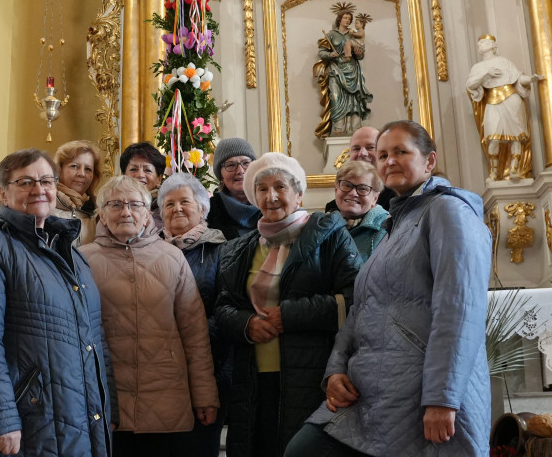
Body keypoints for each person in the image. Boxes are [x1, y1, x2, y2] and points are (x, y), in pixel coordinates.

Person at [286, 120, 491, 457]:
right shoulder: (397, 222)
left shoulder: (449, 210)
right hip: (373, 389)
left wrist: (443, 398)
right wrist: (335, 370)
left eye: (401, 152)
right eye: (383, 155)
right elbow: (362, 307)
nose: (389, 160)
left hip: (422, 392)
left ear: (429, 161)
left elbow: (460, 310)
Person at [0, 149, 115, 457]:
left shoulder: (73, 255)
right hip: (26, 422)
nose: (39, 189)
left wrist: (109, 412)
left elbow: (95, 342)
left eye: (46, 180)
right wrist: (1, 419)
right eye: (25, 182)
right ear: (3, 192)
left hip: (79, 422)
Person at [215, 152, 361, 457]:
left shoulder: (330, 236)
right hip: (253, 381)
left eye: (280, 187)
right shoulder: (238, 249)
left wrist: (290, 316)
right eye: (262, 189)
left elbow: (355, 299)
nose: (271, 197)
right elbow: (224, 307)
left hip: (312, 376)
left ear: (299, 194)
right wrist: (247, 324)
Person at [80, 175, 219, 456]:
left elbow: (194, 334)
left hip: (166, 397)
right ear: (102, 215)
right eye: (115, 204)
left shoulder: (172, 257)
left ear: (147, 214)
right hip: (106, 401)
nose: (126, 211)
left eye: (135, 204)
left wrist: (205, 394)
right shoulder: (81, 259)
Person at [158, 172, 229, 457]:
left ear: (202, 209)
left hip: (208, 367)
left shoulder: (222, 250)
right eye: (169, 204)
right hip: (160, 372)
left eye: (185, 202)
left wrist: (184, 337)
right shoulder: (150, 252)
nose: (176, 208)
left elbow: (225, 310)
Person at [466, 34, 540, 180]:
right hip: (492, 100)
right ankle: (494, 171)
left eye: (483, 43)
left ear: (492, 45)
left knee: (515, 137)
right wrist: (485, 74)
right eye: (479, 43)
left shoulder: (504, 62)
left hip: (511, 98)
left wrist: (531, 79)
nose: (479, 45)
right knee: (492, 137)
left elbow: (518, 78)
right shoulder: (478, 67)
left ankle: (514, 169)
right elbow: (470, 85)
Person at [314, 8, 373, 138]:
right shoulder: (331, 35)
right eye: (345, 18)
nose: (347, 20)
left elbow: (360, 55)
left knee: (354, 99)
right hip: (336, 69)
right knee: (336, 98)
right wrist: (331, 54)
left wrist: (359, 53)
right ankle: (338, 128)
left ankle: (355, 128)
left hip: (352, 69)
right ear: (339, 19)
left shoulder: (353, 34)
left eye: (349, 19)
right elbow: (321, 52)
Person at [323, 127, 394, 214]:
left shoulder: (397, 197)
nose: (362, 153)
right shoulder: (333, 208)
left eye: (370, 147)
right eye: (356, 149)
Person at [328, 161, 388, 261]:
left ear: (375, 198)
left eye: (363, 188)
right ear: (336, 190)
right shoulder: (324, 225)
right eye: (347, 185)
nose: (353, 193)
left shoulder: (388, 227)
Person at [206, 137, 261, 240]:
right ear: (220, 174)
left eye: (246, 163)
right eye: (230, 165)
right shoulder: (207, 213)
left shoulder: (271, 204)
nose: (240, 170)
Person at [53, 140, 102, 243]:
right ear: (59, 170)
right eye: (74, 166)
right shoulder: (44, 206)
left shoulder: (99, 212)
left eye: (88, 169)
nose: (82, 174)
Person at [119, 141, 167, 223]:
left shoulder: (167, 207)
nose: (140, 175)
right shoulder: (112, 205)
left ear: (159, 179)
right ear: (123, 175)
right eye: (133, 169)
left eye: (147, 170)